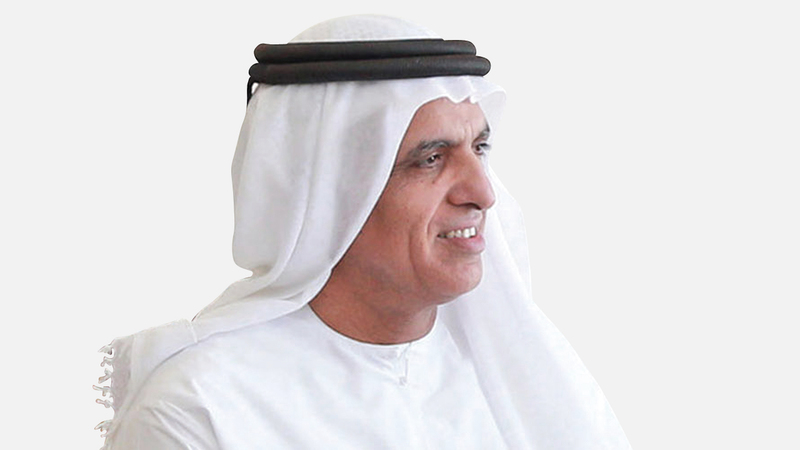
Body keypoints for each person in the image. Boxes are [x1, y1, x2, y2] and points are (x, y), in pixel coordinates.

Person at [94, 15, 631, 450]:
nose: (482, 192)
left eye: (479, 148)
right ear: (328, 194)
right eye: (431, 159)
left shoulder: (527, 380)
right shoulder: (201, 411)